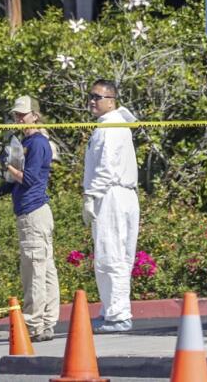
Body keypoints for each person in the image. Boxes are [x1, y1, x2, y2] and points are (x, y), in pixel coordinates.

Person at [0, 96, 60, 341]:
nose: (18, 118)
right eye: (16, 114)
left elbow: (29, 179)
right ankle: (48, 322)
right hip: (34, 211)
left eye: (23, 114)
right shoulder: (27, 141)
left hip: (33, 213)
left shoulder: (38, 143)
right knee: (45, 268)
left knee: (33, 271)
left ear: (35, 115)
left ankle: (33, 325)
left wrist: (7, 167)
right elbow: (25, 178)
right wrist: (4, 188)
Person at [82, 79, 139, 333]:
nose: (92, 101)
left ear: (111, 100)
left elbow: (106, 168)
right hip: (122, 194)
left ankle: (118, 315)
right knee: (117, 255)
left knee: (110, 255)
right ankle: (112, 310)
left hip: (111, 194)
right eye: (90, 96)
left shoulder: (110, 128)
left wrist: (91, 195)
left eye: (97, 97)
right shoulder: (113, 125)